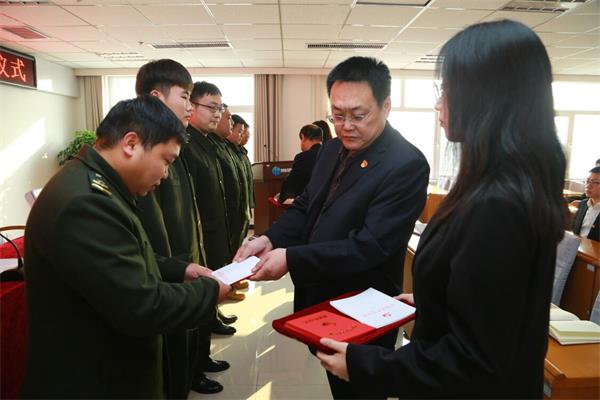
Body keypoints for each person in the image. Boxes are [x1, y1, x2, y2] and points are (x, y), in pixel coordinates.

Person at [316, 20, 567, 399]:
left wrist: (364, 364)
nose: (438, 103)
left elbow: (475, 361)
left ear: (486, 97)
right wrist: (435, 303)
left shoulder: (498, 205)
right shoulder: (505, 183)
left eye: (447, 90)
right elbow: (497, 307)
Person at [235, 56, 430, 398]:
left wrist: (291, 258)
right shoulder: (329, 151)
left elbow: (370, 245)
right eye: (337, 115)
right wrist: (269, 239)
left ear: (385, 106)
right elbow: (307, 207)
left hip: (362, 309)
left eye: (358, 115)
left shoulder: (406, 164)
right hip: (320, 302)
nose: (346, 126)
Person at [22, 96, 229, 398]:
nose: (166, 174)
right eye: (166, 161)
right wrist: (210, 291)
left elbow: (126, 257)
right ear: (131, 143)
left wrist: (181, 269)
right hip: (95, 383)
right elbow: (142, 306)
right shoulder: (86, 202)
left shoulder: (98, 184)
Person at [134, 61, 229, 396]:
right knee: (171, 358)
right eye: (185, 97)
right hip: (165, 270)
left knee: (184, 345)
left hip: (184, 260)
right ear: (156, 97)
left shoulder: (177, 145)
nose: (189, 107)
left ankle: (191, 374)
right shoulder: (145, 153)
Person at [183, 81, 240, 332]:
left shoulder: (207, 144)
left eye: (220, 108)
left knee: (214, 279)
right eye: (211, 107)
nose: (217, 114)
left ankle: (213, 317)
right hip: (201, 231)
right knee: (204, 282)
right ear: (192, 106)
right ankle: (208, 324)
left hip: (215, 227)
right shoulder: (187, 146)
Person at [278, 123, 323, 203]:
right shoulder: (331, 154)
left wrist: (282, 198)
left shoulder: (302, 157)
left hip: (307, 204)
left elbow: (290, 183)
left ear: (303, 137)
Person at [572, 166, 600, 242]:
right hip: (577, 247)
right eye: (587, 181)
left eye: (596, 182)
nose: (589, 185)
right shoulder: (582, 204)